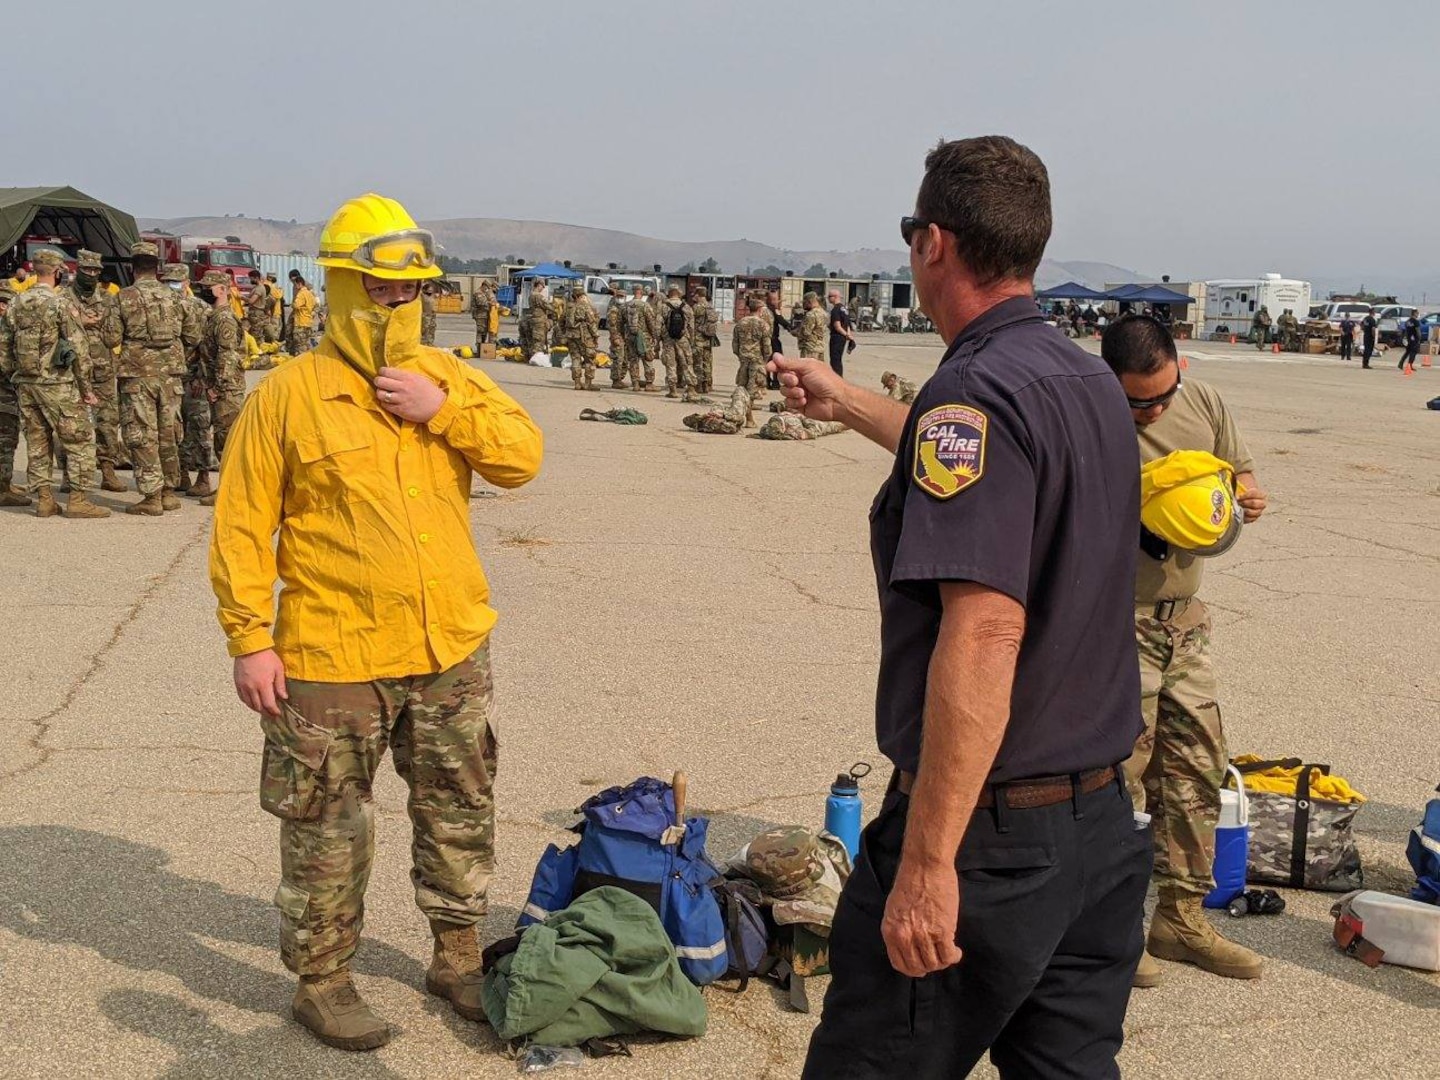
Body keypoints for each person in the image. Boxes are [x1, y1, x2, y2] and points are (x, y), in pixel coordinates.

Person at [778, 135, 1150, 1078]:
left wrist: (930, 862)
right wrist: (850, 401)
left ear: (935, 243)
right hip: (1099, 836)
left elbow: (984, 628)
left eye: (909, 233)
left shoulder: (974, 392)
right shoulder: (1085, 383)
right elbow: (982, 462)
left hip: (989, 843)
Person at [208, 193, 543, 1052]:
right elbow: (243, 524)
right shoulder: (289, 396)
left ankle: (456, 955)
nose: (400, 306)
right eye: (384, 291)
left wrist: (444, 410)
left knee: (460, 806)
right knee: (327, 826)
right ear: (345, 287)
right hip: (332, 656)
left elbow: (521, 460)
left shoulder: (447, 377)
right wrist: (250, 638)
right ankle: (323, 980)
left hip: (448, 646)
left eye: (412, 292)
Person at [1100, 314, 1266, 989]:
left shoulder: (1204, 402)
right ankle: (1108, 930)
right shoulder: (1086, 415)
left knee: (1198, 765)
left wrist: (1247, 497)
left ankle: (1180, 919)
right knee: (1119, 777)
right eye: (1138, 401)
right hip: (1115, 621)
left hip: (1186, 619)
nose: (1153, 410)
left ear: (1179, 368)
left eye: (1162, 395)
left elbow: (1242, 474)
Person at [0, 248, 109, 518]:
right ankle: (78, 499)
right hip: (57, 384)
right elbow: (78, 349)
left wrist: (16, 376)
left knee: (37, 443)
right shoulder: (61, 304)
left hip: (27, 384)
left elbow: (4, 347)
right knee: (80, 440)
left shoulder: (17, 301)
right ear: (58, 272)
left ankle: (45, 500)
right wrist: (87, 390)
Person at [68, 249, 127, 491]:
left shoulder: (108, 298)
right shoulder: (63, 297)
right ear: (77, 270)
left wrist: (94, 322)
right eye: (86, 270)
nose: (91, 274)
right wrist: (81, 321)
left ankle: (107, 470)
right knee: (71, 422)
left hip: (102, 369)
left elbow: (115, 335)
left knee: (107, 421)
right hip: (71, 369)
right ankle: (70, 476)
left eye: (95, 271)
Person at [193, 270, 247, 504]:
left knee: (226, 441)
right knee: (221, 439)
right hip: (218, 385)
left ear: (223, 290)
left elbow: (228, 356)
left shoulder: (224, 319)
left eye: (210, 287)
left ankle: (230, 491)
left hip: (227, 389)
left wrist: (218, 386)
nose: (205, 290)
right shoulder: (214, 316)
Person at [160, 263, 208, 502]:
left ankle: (203, 477)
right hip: (169, 377)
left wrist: (201, 375)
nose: (172, 287)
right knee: (173, 428)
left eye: (176, 282)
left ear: (187, 283)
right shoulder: (161, 307)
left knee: (198, 427)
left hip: (193, 376)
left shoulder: (200, 308)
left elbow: (207, 346)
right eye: (167, 282)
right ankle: (180, 474)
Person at [0, 285, 27, 506]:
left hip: (8, 395)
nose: (4, 307)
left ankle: (5, 483)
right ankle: (2, 489)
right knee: (5, 441)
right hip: (3, 396)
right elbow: (5, 365)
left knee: (9, 439)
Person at [659, 285, 695, 400]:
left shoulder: (663, 307)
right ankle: (691, 388)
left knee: (670, 364)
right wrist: (691, 339)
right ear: (679, 293)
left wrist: (658, 340)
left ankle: (673, 390)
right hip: (683, 339)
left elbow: (657, 325)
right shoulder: (686, 307)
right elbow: (691, 326)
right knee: (687, 363)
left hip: (668, 339)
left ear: (669, 293)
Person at [732, 295, 770, 403]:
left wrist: (738, 354)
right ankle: (750, 403)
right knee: (754, 381)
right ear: (759, 310)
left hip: (743, 355)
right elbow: (767, 345)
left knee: (742, 379)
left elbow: (735, 342)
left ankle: (741, 401)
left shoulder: (741, 322)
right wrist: (765, 358)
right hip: (756, 356)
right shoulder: (763, 324)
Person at [563, 287, 600, 391]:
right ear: (580, 296)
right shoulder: (585, 307)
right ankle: (588, 384)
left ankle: (577, 383)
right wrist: (596, 336)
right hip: (585, 337)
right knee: (589, 360)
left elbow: (561, 322)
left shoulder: (568, 308)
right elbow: (591, 323)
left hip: (571, 337)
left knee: (575, 359)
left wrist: (564, 334)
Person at [626, 283, 658, 390]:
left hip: (630, 336)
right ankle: (649, 383)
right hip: (644, 337)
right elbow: (651, 322)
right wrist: (654, 336)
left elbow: (620, 322)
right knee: (647, 359)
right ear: (642, 291)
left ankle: (635, 383)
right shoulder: (645, 306)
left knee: (633, 360)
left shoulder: (627, 305)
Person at [688, 286, 717, 394]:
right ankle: (708, 385)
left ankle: (698, 385)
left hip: (698, 339)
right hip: (708, 339)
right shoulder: (710, 307)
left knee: (697, 363)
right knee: (708, 363)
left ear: (697, 295)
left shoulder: (696, 307)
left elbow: (690, 323)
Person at [287, 270, 317, 356]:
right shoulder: (302, 290)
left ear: (299, 283)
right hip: (306, 320)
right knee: (304, 342)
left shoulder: (303, 291)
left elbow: (296, 305)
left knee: (300, 343)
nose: (294, 284)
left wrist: (293, 305)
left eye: (295, 282)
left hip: (301, 320)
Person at [606, 288, 630, 389]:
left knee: (624, 359)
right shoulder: (614, 309)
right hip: (617, 337)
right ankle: (616, 380)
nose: (620, 298)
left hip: (624, 336)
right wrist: (615, 337)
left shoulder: (624, 308)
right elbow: (611, 325)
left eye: (622, 296)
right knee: (618, 359)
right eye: (619, 296)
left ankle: (620, 378)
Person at [827, 288, 853, 376]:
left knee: (835, 361)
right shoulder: (844, 309)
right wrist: (848, 335)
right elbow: (847, 325)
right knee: (838, 359)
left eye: (829, 296)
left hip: (836, 337)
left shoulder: (835, 310)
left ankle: (837, 379)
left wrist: (847, 335)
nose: (828, 298)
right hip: (843, 338)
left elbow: (837, 326)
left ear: (835, 297)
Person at [795, 291, 828, 361]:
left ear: (809, 301)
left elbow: (806, 332)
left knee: (806, 369)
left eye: (805, 302)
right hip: (820, 347)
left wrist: (796, 332)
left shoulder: (811, 314)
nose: (804, 304)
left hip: (810, 348)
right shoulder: (824, 313)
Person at [245, 270, 272, 345]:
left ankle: (259, 352)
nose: (250, 280)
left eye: (251, 278)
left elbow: (251, 301)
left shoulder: (260, 288)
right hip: (254, 313)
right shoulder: (256, 287)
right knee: (252, 333)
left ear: (256, 278)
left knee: (256, 335)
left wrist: (241, 297)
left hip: (257, 314)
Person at [468, 280, 493, 351]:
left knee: (484, 332)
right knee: (480, 332)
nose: (487, 289)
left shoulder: (484, 293)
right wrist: (490, 302)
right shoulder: (478, 293)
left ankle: (482, 348)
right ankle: (479, 349)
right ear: (483, 285)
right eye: (486, 287)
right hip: (480, 315)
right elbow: (481, 303)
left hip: (484, 315)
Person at [420, 281, 437, 345]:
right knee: (425, 330)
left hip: (432, 314)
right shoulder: (422, 296)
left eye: (431, 289)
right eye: (429, 289)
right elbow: (419, 290)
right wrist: (423, 284)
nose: (430, 290)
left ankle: (430, 343)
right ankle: (423, 343)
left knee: (432, 329)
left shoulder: (432, 296)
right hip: (426, 315)